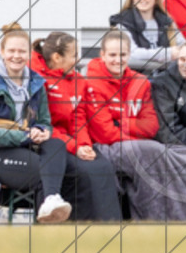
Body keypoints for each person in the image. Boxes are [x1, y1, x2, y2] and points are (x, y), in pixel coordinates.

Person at [86, 30, 186, 221]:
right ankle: (162, 217)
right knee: (153, 152)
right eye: (112, 55)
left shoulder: (140, 82)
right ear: (102, 55)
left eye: (122, 55)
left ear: (129, 54)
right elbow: (104, 133)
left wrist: (121, 123)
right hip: (105, 148)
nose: (118, 60)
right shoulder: (92, 84)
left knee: (154, 153)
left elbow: (151, 126)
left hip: (139, 145)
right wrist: (134, 131)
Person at [0, 23, 72, 223]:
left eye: (21, 51)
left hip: (22, 145)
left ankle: (51, 203)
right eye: (11, 51)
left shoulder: (36, 83)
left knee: (56, 145)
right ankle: (45, 238)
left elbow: (45, 122)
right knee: (45, 173)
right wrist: (26, 135)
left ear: (29, 54)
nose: (16, 56)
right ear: (2, 52)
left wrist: (43, 131)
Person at [30, 32, 123, 221]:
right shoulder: (37, 81)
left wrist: (83, 145)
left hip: (73, 145)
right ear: (57, 58)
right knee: (85, 173)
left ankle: (111, 230)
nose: (78, 60)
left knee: (103, 166)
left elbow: (78, 119)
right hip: (49, 146)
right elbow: (42, 125)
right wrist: (74, 147)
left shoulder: (78, 81)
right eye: (74, 55)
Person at [110, 0, 181, 73]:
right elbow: (132, 53)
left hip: (165, 80)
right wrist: (168, 54)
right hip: (133, 81)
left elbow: (183, 47)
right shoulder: (123, 24)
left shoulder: (167, 22)